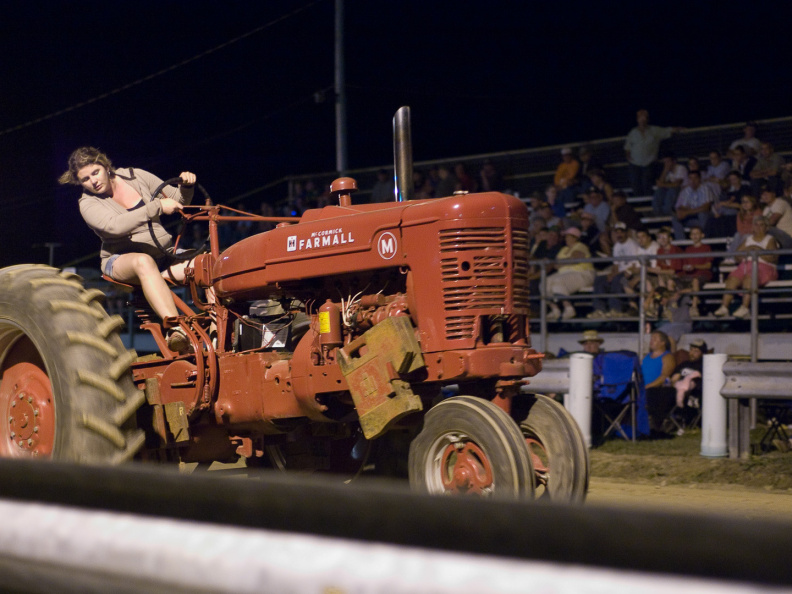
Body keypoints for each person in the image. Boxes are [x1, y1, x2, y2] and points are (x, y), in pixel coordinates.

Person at [59, 146, 197, 353]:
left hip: (163, 254)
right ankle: (175, 328)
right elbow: (115, 226)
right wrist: (156, 207)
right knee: (143, 261)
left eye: (95, 172)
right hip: (121, 260)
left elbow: (177, 201)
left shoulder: (135, 176)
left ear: (105, 166)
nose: (93, 181)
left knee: (207, 263)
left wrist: (187, 186)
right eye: (85, 179)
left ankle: (217, 332)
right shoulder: (87, 203)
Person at [714, 215, 779, 319]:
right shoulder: (748, 239)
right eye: (756, 225)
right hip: (745, 265)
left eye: (761, 225)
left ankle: (745, 307)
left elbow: (773, 257)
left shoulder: (770, 239)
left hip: (763, 267)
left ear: (766, 227)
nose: (758, 227)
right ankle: (724, 306)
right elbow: (737, 255)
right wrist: (746, 252)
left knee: (749, 277)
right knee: (732, 279)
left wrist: (756, 250)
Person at [624, 109, 683, 196]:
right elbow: (627, 146)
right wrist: (628, 155)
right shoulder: (633, 132)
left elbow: (667, 130)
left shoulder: (654, 130)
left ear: (647, 119)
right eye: (640, 117)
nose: (642, 119)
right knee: (635, 183)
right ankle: (639, 203)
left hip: (649, 162)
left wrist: (679, 129)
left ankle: (647, 202)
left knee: (646, 183)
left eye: (644, 117)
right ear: (637, 119)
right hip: (634, 163)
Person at [588, 222, 640, 318]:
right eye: (617, 232)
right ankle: (600, 309)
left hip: (629, 273)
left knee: (617, 279)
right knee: (600, 279)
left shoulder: (632, 245)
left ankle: (616, 309)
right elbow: (616, 265)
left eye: (621, 232)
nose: (619, 235)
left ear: (626, 233)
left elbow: (634, 266)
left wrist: (616, 274)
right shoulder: (616, 246)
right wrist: (611, 274)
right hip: (620, 272)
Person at [545, 226, 595, 321]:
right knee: (546, 282)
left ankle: (568, 308)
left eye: (568, 236)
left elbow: (575, 259)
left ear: (575, 238)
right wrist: (567, 261)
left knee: (558, 282)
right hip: (564, 272)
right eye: (566, 236)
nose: (566, 238)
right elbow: (555, 264)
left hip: (581, 273)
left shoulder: (581, 246)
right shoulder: (564, 249)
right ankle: (555, 309)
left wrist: (562, 262)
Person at [642, 330, 676, 433]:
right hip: (643, 388)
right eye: (651, 339)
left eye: (655, 339)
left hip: (657, 390)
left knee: (652, 393)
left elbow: (664, 377)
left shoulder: (667, 357)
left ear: (663, 343)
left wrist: (648, 386)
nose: (651, 341)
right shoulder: (646, 358)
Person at [677, 226, 713, 317]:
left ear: (702, 235)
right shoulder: (688, 249)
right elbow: (684, 264)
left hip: (702, 274)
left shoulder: (706, 248)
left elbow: (708, 265)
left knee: (695, 281)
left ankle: (694, 307)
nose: (695, 236)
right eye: (693, 234)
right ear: (690, 236)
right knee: (672, 282)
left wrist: (695, 267)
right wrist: (686, 267)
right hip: (688, 275)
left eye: (697, 233)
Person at [672, 170, 716, 240]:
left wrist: (687, 211)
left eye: (695, 178)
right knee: (675, 218)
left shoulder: (705, 189)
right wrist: (684, 211)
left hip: (705, 218)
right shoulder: (685, 191)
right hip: (692, 219)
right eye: (690, 178)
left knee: (702, 214)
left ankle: (703, 240)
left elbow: (706, 207)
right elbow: (680, 207)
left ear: (699, 179)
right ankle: (681, 242)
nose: (693, 180)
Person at [759, 184, 792, 250]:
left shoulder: (780, 202)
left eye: (767, 193)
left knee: (765, 229)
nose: (765, 196)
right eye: (763, 194)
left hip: (788, 237)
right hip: (777, 238)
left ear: (773, 194)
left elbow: (772, 221)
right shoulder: (766, 209)